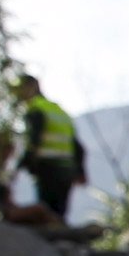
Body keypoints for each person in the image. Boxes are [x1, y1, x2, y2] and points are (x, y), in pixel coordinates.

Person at [12, 75, 85, 219]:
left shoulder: (36, 109)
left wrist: (21, 164)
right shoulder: (59, 111)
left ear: (32, 87)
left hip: (48, 169)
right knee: (59, 214)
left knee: (46, 213)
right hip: (66, 171)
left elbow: (34, 141)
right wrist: (80, 171)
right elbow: (77, 147)